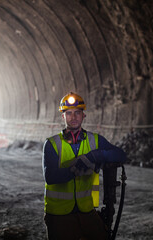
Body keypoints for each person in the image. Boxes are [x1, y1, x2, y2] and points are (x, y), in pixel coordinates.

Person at [42, 92, 126, 240]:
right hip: (59, 215)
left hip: (86, 211)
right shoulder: (52, 144)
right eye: (69, 113)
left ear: (83, 115)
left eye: (77, 113)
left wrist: (96, 156)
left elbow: (121, 155)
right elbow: (50, 177)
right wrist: (75, 168)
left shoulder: (95, 140)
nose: (73, 117)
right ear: (63, 117)